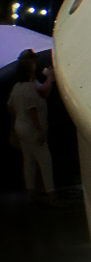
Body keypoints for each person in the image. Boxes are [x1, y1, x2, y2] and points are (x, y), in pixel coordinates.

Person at [7, 50, 59, 204]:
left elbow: (10, 107)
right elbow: (33, 111)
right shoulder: (30, 88)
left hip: (20, 127)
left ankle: (31, 194)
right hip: (32, 129)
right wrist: (40, 131)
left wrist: (14, 126)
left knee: (28, 160)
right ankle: (52, 196)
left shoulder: (17, 87)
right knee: (45, 161)